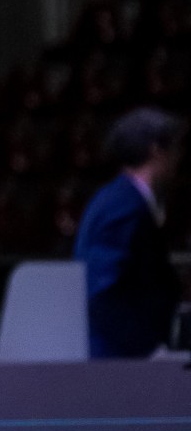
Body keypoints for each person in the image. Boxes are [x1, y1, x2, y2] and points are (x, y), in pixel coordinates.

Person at [73, 106, 185, 358]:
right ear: (156, 151)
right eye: (175, 149)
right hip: (119, 360)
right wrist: (146, 349)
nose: (179, 158)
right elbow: (102, 290)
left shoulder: (119, 198)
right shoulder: (123, 204)